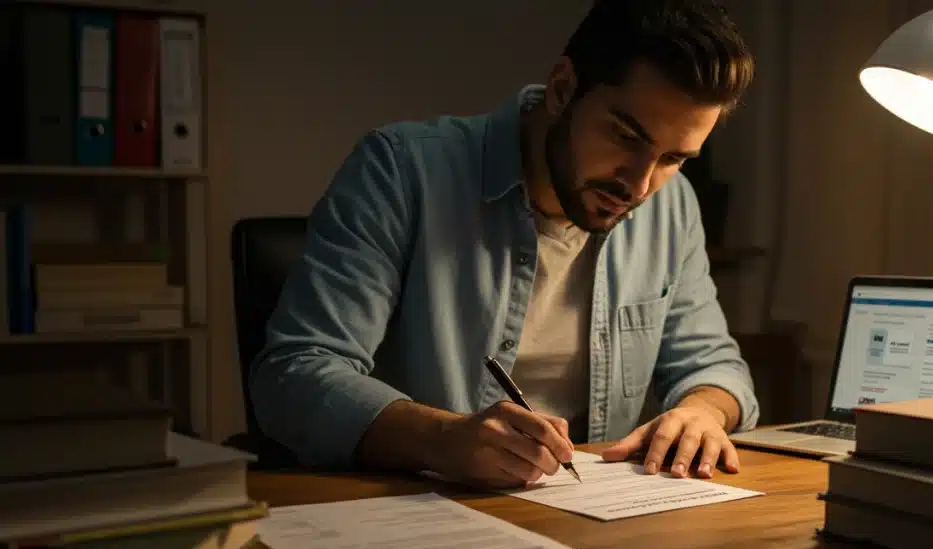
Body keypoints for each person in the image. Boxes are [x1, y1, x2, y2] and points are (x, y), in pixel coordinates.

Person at [249, 0, 760, 489]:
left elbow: (714, 366)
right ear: (563, 87)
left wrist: (702, 411)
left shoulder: (671, 204)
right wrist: (441, 440)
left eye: (673, 158)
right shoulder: (401, 171)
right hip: (418, 512)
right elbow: (295, 375)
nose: (640, 185)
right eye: (627, 137)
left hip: (592, 515)